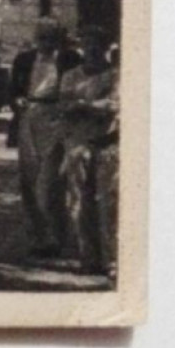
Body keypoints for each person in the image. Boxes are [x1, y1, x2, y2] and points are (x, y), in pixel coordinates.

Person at [10, 20, 82, 258]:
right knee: (28, 180)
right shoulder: (24, 59)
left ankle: (57, 238)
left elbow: (78, 89)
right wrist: (17, 99)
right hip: (28, 117)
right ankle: (39, 238)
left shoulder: (70, 58)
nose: (44, 43)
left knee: (52, 181)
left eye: (50, 38)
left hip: (56, 118)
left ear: (59, 39)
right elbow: (13, 89)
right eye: (41, 37)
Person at [59, 28, 119, 276]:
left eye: (98, 46)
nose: (92, 51)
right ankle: (88, 258)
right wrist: (94, 105)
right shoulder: (71, 76)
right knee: (78, 203)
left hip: (108, 144)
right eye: (88, 46)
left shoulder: (116, 75)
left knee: (109, 203)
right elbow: (63, 106)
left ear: (107, 49)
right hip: (77, 145)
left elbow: (114, 106)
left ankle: (112, 260)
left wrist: (82, 105)